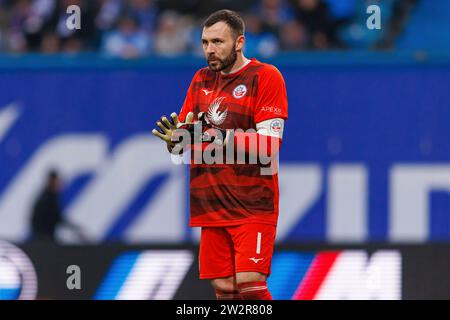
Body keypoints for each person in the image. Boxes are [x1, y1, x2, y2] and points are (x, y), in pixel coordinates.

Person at [152, 9, 288, 300]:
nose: (210, 50)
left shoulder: (266, 77)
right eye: (205, 43)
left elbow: (269, 147)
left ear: (239, 42)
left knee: (250, 284)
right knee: (225, 290)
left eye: (218, 42)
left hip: (253, 203)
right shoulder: (200, 80)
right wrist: (175, 142)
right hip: (211, 203)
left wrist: (214, 136)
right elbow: (187, 137)